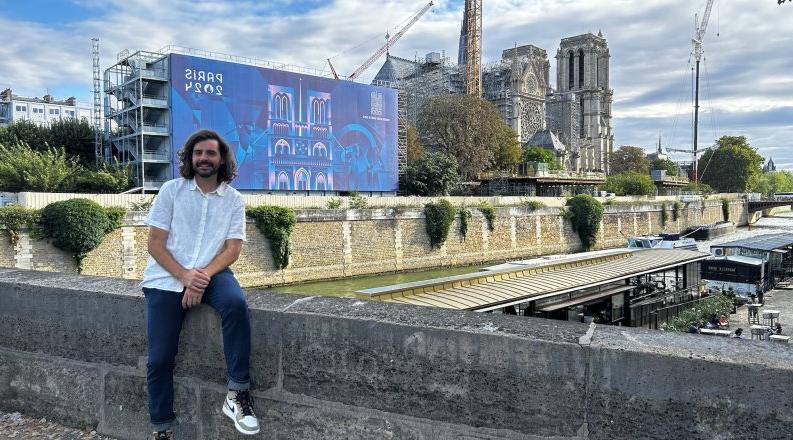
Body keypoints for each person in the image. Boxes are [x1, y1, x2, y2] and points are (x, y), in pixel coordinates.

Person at [141, 130, 258, 439]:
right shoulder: (171, 191)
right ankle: (161, 426)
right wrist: (185, 277)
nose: (204, 158)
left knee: (236, 304)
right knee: (160, 358)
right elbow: (155, 244)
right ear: (190, 158)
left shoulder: (234, 200)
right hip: (167, 277)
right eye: (198, 153)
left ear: (222, 159)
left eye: (210, 153)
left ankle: (237, 395)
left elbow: (233, 249)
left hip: (213, 273)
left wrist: (200, 277)